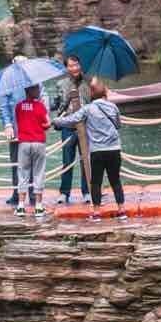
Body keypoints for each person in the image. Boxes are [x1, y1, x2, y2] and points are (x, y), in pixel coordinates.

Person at [52, 78, 127, 221]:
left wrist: (55, 121)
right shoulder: (113, 107)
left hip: (97, 151)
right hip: (114, 149)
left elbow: (72, 119)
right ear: (105, 92)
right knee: (115, 180)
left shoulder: (88, 109)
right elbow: (118, 124)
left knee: (96, 182)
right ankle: (121, 210)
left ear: (91, 94)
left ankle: (97, 212)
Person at [52, 54, 91, 205]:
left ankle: (87, 191)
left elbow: (94, 102)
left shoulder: (88, 82)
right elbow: (57, 104)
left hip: (85, 126)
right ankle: (64, 193)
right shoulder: (61, 84)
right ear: (67, 68)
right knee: (67, 161)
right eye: (71, 66)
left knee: (85, 160)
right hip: (68, 127)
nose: (74, 68)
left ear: (80, 65)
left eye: (76, 65)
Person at [14, 83, 51, 218]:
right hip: (38, 142)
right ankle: (39, 206)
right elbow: (47, 123)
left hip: (23, 143)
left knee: (23, 173)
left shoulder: (18, 106)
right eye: (37, 89)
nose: (39, 90)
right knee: (38, 173)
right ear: (32, 91)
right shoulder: (40, 106)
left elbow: (18, 122)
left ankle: (21, 206)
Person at [0, 55, 30, 207]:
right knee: (16, 162)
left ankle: (33, 193)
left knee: (33, 162)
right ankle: (17, 193)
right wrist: (7, 124)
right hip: (16, 128)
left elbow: (43, 97)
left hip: (32, 126)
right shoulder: (7, 80)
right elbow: (3, 104)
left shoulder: (34, 78)